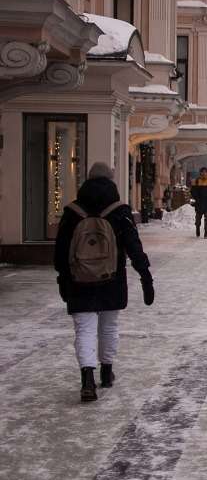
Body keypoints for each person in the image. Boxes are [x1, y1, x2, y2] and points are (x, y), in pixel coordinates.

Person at [54, 162, 154, 402]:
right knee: (108, 327)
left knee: (84, 329)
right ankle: (107, 372)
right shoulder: (120, 211)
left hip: (79, 280)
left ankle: (87, 378)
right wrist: (145, 276)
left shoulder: (72, 212)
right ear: (111, 182)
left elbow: (60, 253)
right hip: (112, 279)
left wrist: (63, 279)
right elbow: (134, 247)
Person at [190, 167, 207, 238]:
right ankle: (197, 228)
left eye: (205, 172)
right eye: (202, 172)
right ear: (200, 173)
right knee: (198, 219)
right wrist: (197, 198)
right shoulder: (196, 181)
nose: (204, 173)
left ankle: (206, 233)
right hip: (199, 204)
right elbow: (193, 192)